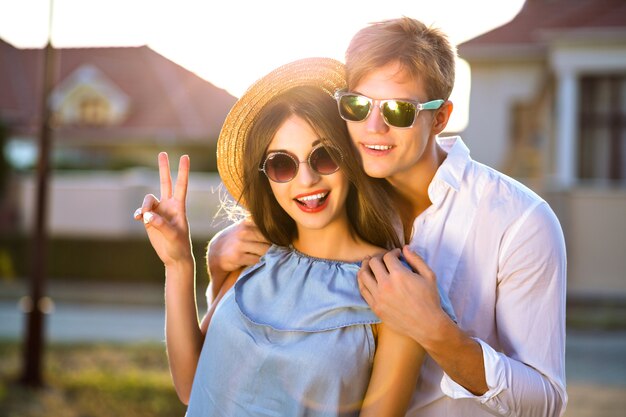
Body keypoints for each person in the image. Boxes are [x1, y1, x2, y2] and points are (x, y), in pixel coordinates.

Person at [206, 18, 568, 417]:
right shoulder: (329, 195)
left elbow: (545, 402)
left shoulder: (521, 221)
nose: (372, 128)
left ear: (441, 117)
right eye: (358, 105)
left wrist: (437, 332)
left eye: (398, 110)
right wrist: (217, 270)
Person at [134, 57, 454, 416]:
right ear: (266, 177)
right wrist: (179, 264)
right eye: (282, 164)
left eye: (324, 156)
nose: (306, 181)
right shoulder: (252, 256)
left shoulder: (392, 288)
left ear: (349, 156)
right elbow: (191, 386)